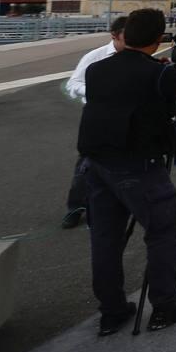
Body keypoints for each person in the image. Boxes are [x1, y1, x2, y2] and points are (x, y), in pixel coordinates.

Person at [77, 8, 176, 336]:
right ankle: (166, 305)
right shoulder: (157, 73)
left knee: (105, 240)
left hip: (95, 164)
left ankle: (112, 311)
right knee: (162, 232)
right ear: (157, 38)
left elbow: (126, 94)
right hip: (138, 166)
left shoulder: (96, 69)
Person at [61, 17, 128, 229]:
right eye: (127, 36)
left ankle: (119, 201)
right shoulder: (95, 56)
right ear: (114, 35)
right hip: (97, 116)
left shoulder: (136, 56)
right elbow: (74, 83)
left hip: (127, 116)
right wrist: (97, 92)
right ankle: (75, 207)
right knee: (87, 162)